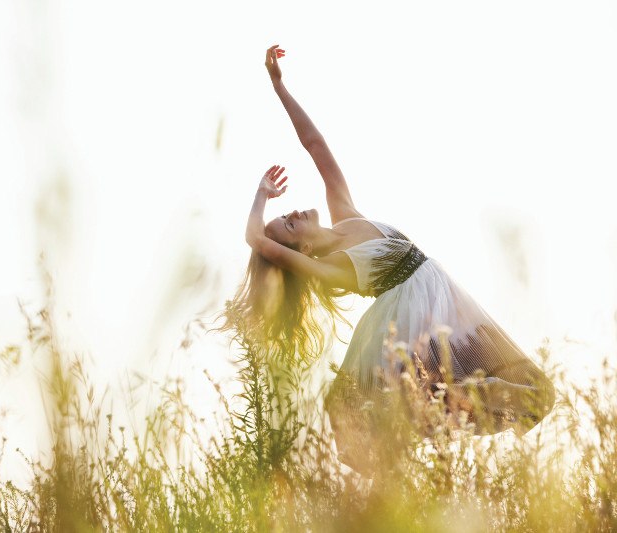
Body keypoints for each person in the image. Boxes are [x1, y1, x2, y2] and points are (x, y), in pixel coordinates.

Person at [225, 45, 555, 474]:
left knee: (535, 392)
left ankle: (442, 404)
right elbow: (256, 238)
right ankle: (430, 412)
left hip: (444, 296)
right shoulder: (328, 267)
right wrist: (260, 196)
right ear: (301, 252)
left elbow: (315, 145)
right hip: (412, 316)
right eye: (288, 226)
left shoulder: (347, 213)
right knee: (427, 397)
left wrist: (279, 86)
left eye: (284, 215)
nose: (291, 214)